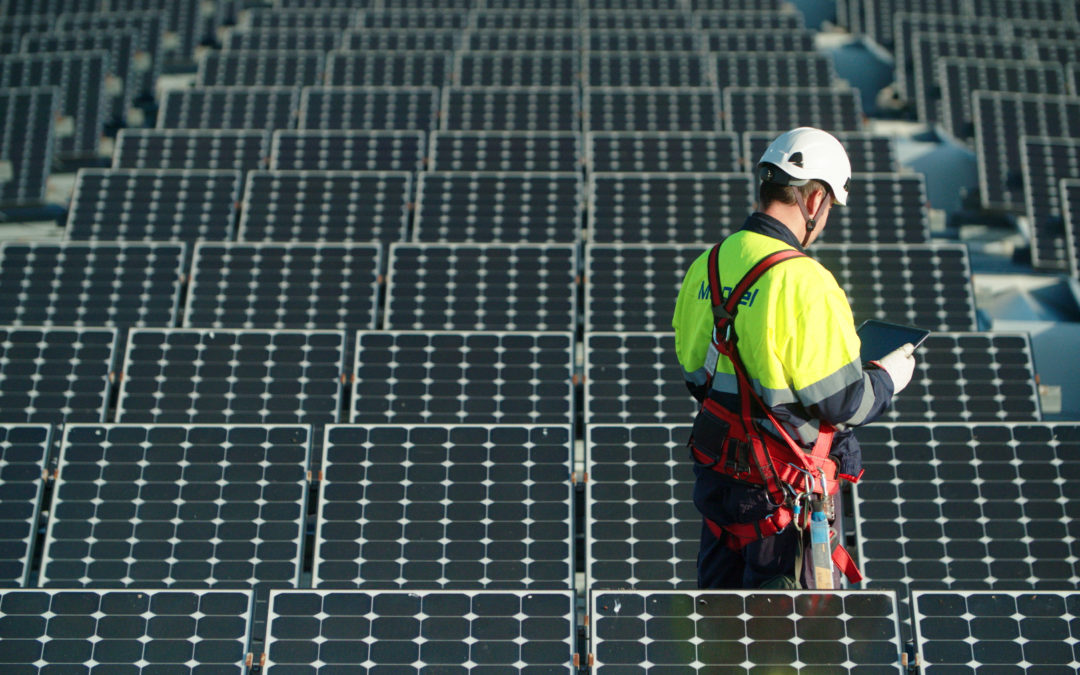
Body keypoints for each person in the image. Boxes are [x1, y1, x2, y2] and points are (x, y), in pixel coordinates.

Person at [671, 127, 917, 589]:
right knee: (792, 644)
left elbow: (696, 375)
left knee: (719, 631)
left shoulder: (705, 265)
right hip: (784, 501)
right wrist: (887, 379)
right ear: (814, 198)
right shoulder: (806, 281)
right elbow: (842, 402)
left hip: (721, 490)